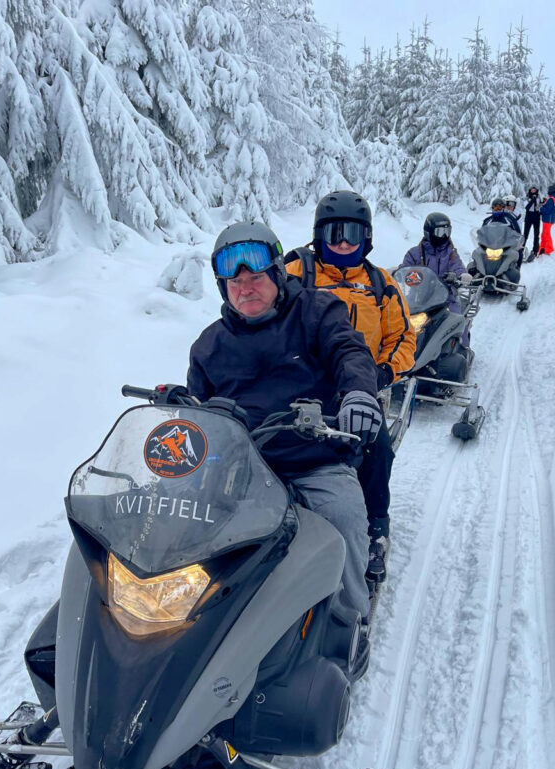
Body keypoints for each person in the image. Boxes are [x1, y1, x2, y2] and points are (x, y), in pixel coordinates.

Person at [185, 221, 380, 640]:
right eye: (234, 282)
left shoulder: (316, 311)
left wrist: (358, 395)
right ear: (223, 289)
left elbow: (350, 352)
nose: (246, 288)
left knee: (343, 519)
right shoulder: (209, 345)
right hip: (242, 468)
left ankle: (349, 621)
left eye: (256, 277)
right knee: (189, 528)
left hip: (315, 457)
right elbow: (199, 409)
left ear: (276, 273)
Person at [285, 191, 415, 587]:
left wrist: (380, 374)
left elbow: (403, 339)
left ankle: (376, 527)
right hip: (297, 386)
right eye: (335, 233)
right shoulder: (296, 273)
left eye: (352, 234)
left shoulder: (380, 285)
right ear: (319, 234)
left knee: (376, 447)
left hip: (357, 389)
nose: (343, 242)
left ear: (367, 237)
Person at [401, 211, 473, 332]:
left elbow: (457, 266)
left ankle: (463, 348)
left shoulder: (451, 253)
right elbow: (405, 269)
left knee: (457, 322)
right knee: (398, 319)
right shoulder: (415, 253)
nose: (444, 236)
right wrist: (398, 274)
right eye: (440, 232)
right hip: (418, 297)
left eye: (447, 232)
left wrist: (461, 275)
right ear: (429, 232)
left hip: (446, 297)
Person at [483, 197, 524, 266]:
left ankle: (517, 269)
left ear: (503, 208)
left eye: (499, 208)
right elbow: (482, 233)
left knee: (519, 253)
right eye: (495, 208)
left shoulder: (510, 219)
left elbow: (517, 232)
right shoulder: (488, 220)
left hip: (506, 245)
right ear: (492, 208)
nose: (497, 210)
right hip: (492, 245)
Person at [539, 184, 555, 255]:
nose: (548, 191)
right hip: (549, 219)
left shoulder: (551, 199)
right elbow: (551, 207)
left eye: (549, 189)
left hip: (548, 219)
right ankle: (543, 247)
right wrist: (546, 202)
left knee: (546, 234)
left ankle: (549, 248)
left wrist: (541, 208)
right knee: (544, 234)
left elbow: (547, 210)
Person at [522, 186, 541, 261]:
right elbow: (527, 207)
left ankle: (535, 250)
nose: (533, 191)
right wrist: (532, 200)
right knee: (525, 234)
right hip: (529, 217)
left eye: (535, 190)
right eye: (532, 190)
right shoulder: (527, 198)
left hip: (536, 217)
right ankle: (522, 249)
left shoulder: (539, 197)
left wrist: (543, 203)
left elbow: (538, 206)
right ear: (530, 190)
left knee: (536, 234)